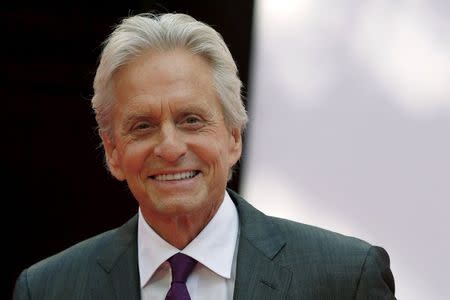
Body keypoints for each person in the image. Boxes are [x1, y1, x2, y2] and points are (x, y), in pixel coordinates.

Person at [13, 12, 396, 299]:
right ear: (113, 151)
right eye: (143, 126)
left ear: (233, 136)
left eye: (191, 120)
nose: (170, 147)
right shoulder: (49, 288)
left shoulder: (345, 278)